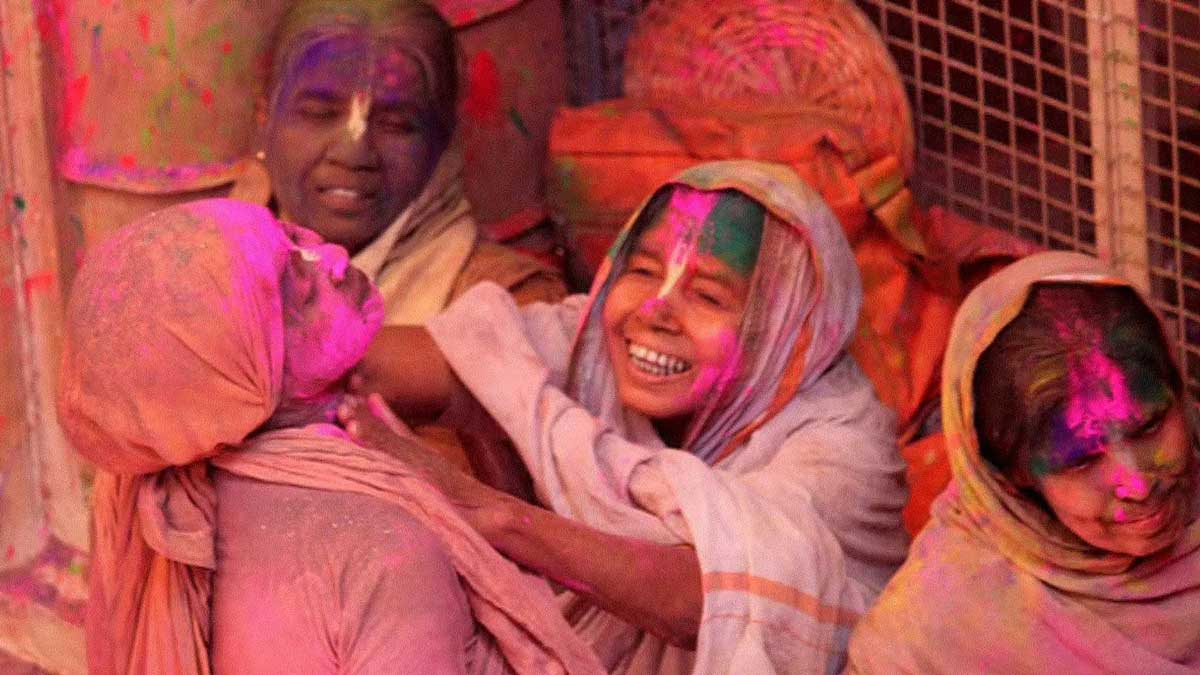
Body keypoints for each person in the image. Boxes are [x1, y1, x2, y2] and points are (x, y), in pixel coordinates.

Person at [346, 160, 909, 673]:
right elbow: (385, 369)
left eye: (709, 297)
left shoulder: (841, 445)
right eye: (642, 271)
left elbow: (708, 602)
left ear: (786, 332)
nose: (654, 310)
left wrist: (487, 513)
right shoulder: (589, 347)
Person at [56, 199, 600, 675]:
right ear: (240, 371)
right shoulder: (383, 549)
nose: (333, 259)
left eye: (294, 237)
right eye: (296, 288)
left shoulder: (176, 517)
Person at [845, 251, 1200, 672]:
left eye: (1150, 426)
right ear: (1011, 477)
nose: (1138, 483)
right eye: (1083, 460)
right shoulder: (932, 634)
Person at [230, 0, 565, 321]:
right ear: (265, 115)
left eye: (396, 125)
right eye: (319, 114)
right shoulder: (205, 274)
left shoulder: (511, 309)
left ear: (443, 140)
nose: (353, 153)